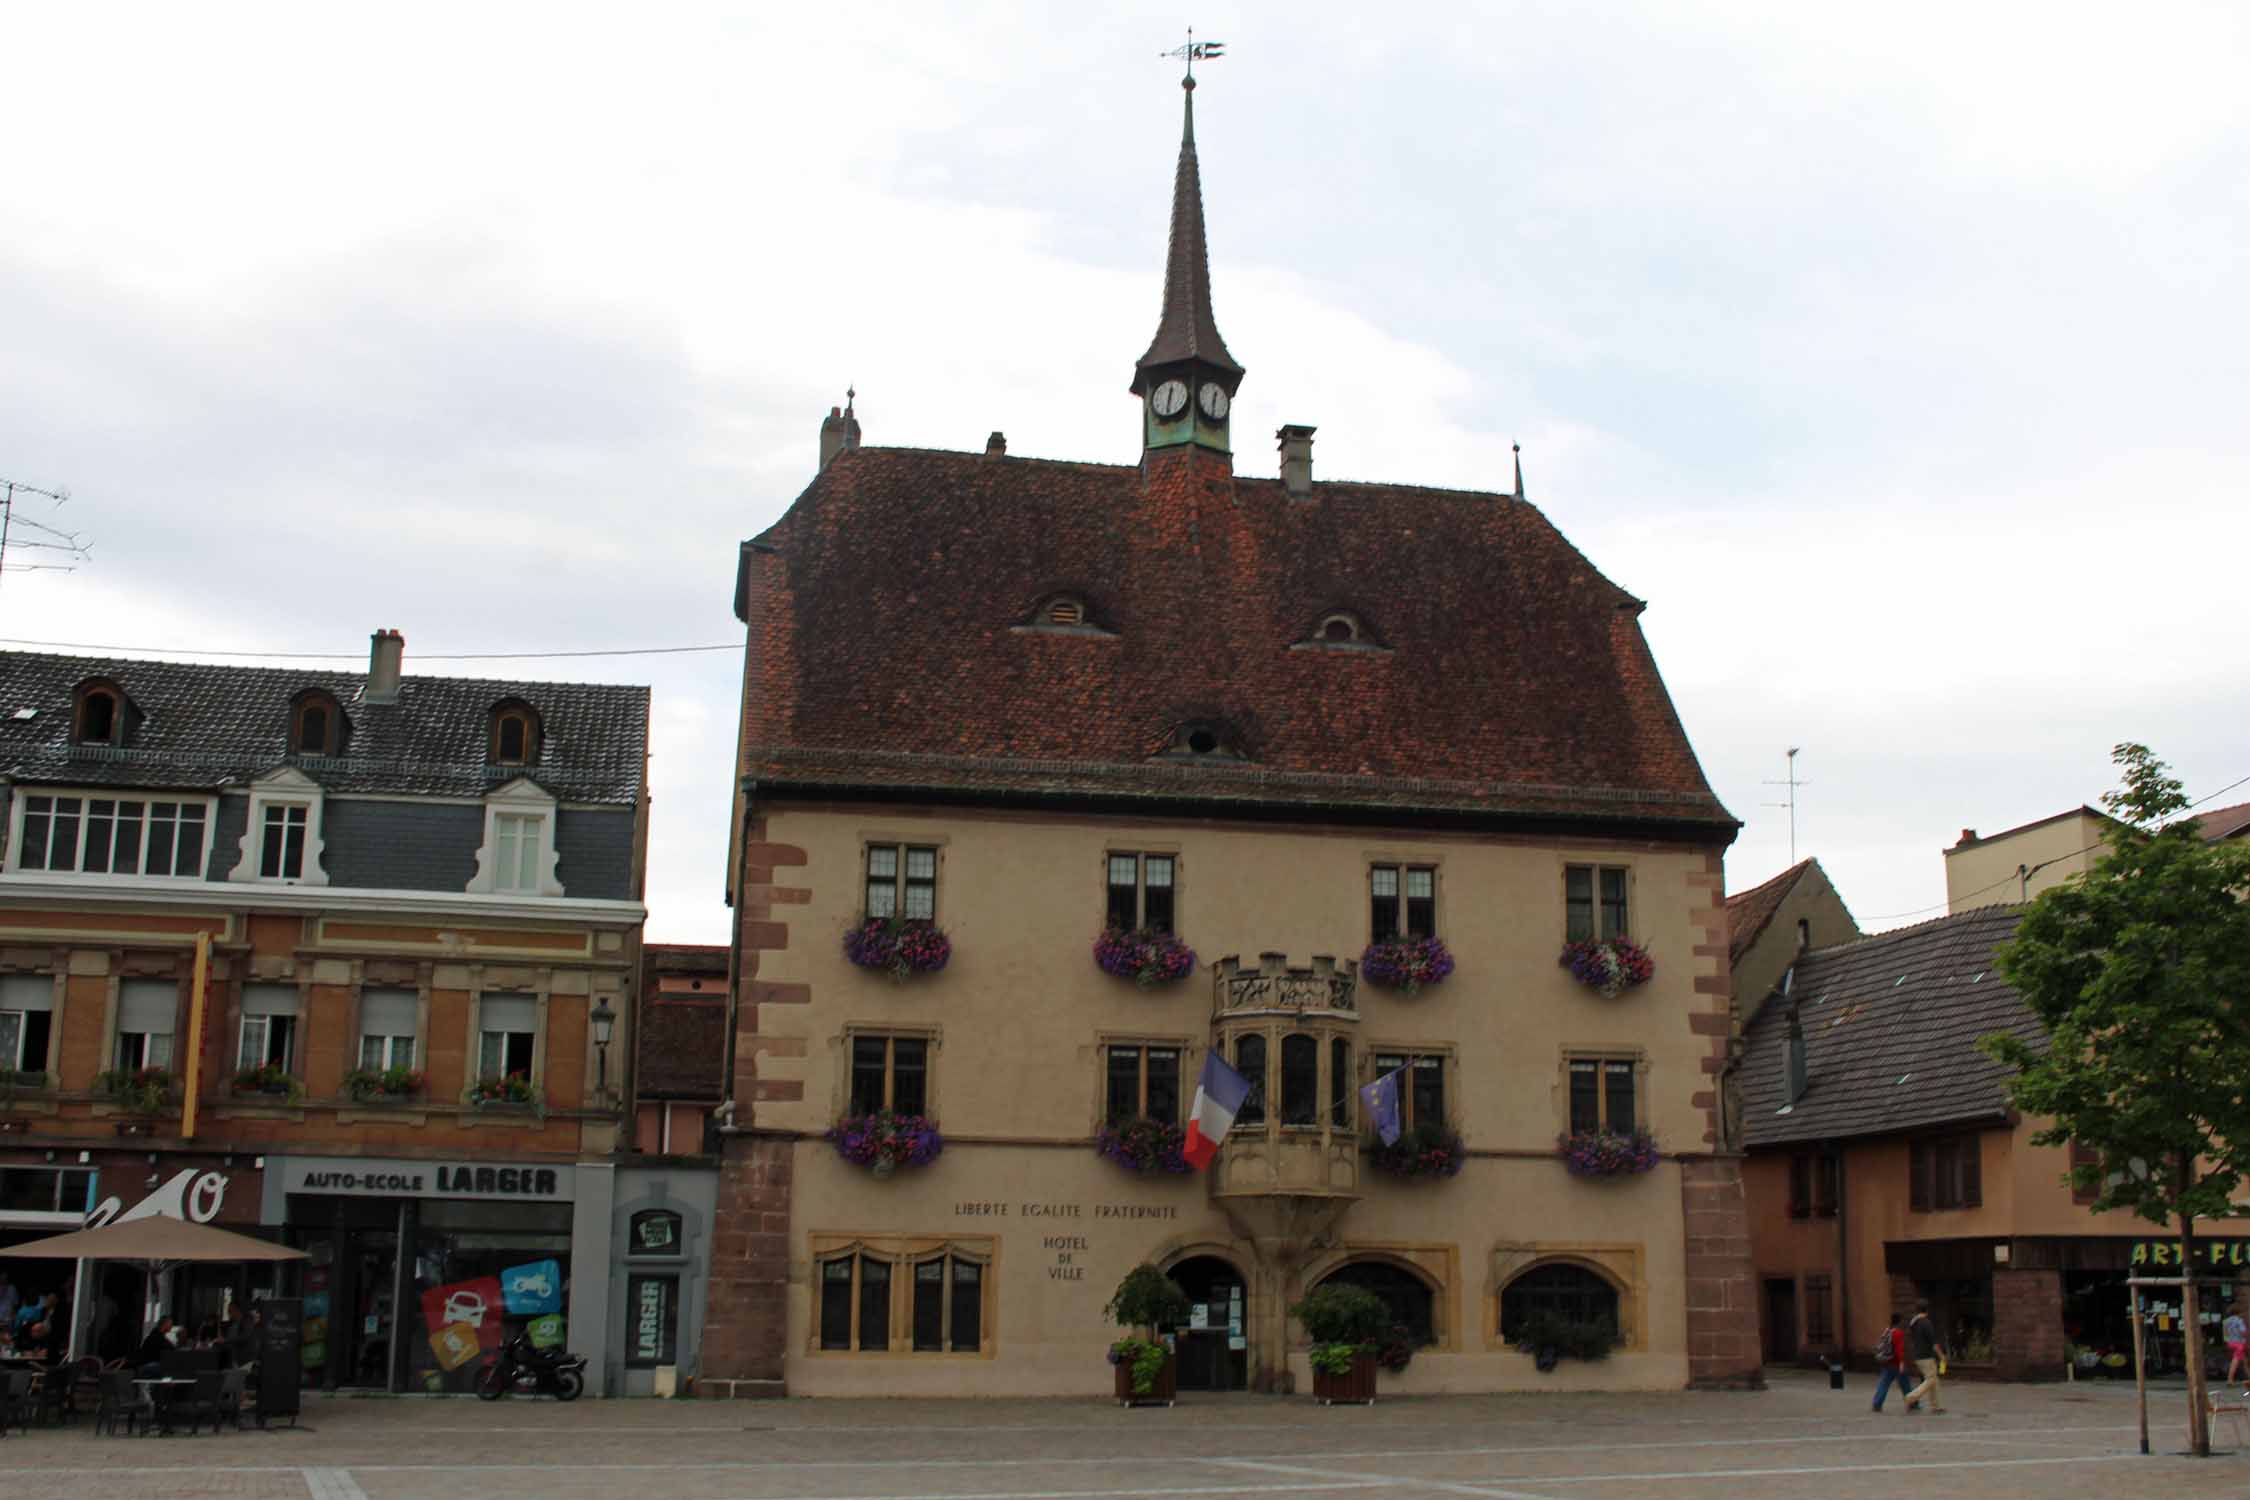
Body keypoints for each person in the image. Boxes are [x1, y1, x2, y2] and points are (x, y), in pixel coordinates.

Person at [1904, 1300, 1949, 1414]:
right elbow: (1934, 1343)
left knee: (1934, 1380)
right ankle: (1911, 1397)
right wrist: (1942, 1356)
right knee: (1931, 1379)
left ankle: (1936, 1406)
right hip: (1926, 1356)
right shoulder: (1926, 1323)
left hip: (1918, 1355)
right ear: (1927, 1310)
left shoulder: (1913, 1323)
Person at [1871, 1311, 1909, 1413]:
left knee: (1884, 1383)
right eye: (1903, 1320)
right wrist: (1901, 1363)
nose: (1904, 1323)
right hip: (1896, 1363)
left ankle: (1877, 1403)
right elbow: (1899, 1350)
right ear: (1900, 1321)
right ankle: (1912, 1402)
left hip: (1887, 1361)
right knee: (1905, 1384)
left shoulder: (1888, 1331)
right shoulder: (1898, 1333)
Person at [2226, 1304, 2248, 1390]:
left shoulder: (2227, 1321)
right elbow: (2243, 1331)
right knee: (2235, 1361)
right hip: (2239, 1343)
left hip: (2231, 1342)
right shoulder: (2239, 1320)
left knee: (2244, 1360)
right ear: (2238, 1313)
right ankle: (2229, 1379)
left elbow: (2226, 1333)